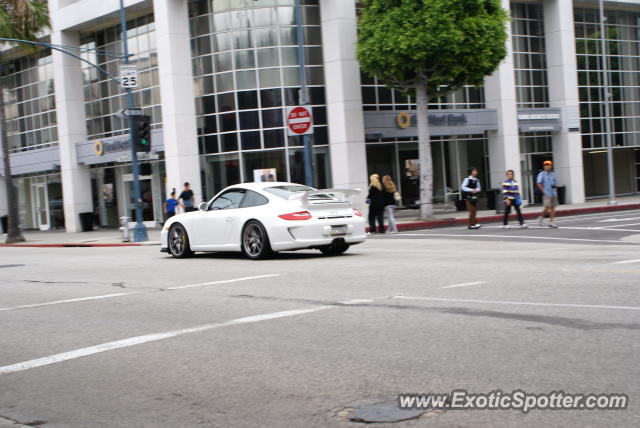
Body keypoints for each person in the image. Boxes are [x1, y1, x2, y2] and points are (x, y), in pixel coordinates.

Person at [536, 160, 559, 228]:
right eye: (545, 165)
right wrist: (543, 191)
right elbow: (538, 183)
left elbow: (554, 183)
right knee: (547, 207)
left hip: (553, 193)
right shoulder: (542, 174)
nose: (546, 166)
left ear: (551, 166)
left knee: (553, 208)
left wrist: (555, 189)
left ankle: (551, 222)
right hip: (547, 193)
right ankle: (541, 217)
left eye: (548, 165)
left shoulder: (553, 174)